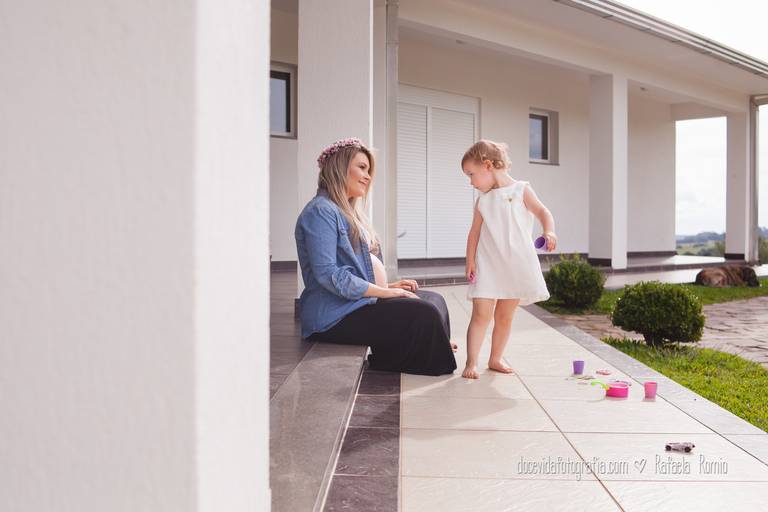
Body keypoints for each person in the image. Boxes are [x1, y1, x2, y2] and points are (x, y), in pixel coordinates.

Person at [294, 137, 457, 376]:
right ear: (339, 167)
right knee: (425, 312)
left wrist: (388, 286)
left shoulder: (345, 212)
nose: (368, 176)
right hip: (333, 316)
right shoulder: (320, 211)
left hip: (354, 302)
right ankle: (424, 351)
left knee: (434, 300)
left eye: (368, 170)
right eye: (361, 167)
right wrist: (386, 292)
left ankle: (434, 344)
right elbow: (328, 274)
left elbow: (355, 268)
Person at [461, 140, 556, 379]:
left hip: (514, 265)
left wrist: (549, 231)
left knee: (504, 316)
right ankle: (471, 362)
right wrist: (470, 260)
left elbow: (543, 212)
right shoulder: (483, 200)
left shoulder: (521, 189)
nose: (471, 182)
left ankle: (495, 358)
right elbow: (474, 233)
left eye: (472, 174)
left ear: (488, 165)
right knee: (481, 313)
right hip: (488, 264)